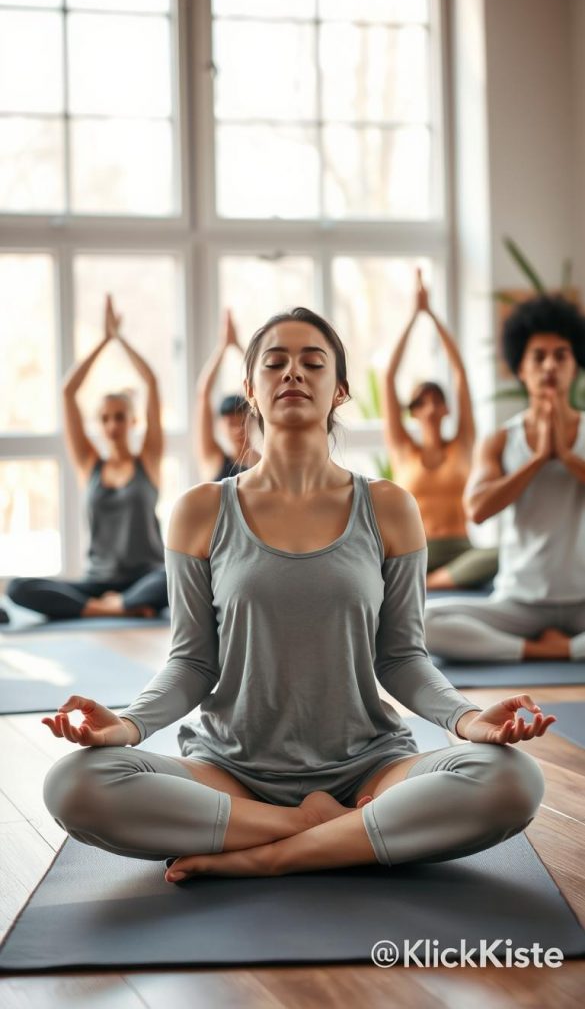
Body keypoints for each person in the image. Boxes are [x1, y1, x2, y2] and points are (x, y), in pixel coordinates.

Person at [42, 306, 550, 884]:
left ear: (339, 391)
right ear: (251, 391)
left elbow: (403, 658)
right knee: (73, 784)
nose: (292, 373)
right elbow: (190, 662)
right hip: (230, 770)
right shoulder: (200, 511)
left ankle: (268, 853)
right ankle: (327, 831)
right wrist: (129, 726)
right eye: (274, 362)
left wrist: (467, 720)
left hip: (368, 767)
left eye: (312, 362)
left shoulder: (389, 508)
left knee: (514, 780)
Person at [425, 294, 585, 662]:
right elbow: (476, 509)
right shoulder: (500, 439)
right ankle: (537, 650)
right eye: (538, 356)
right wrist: (539, 460)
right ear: (521, 369)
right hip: (518, 601)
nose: (550, 366)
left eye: (561, 355)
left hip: (582, 601)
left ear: (574, 366)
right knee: (422, 619)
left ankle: (567, 648)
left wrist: (566, 456)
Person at [7, 295, 168, 620]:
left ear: (133, 420)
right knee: (16, 588)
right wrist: (103, 340)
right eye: (105, 418)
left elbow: (151, 381)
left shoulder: (147, 460)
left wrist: (120, 340)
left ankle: (112, 606)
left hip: (147, 577)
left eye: (120, 416)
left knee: (177, 576)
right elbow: (68, 391)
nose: (112, 425)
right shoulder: (89, 464)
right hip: (96, 582)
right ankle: (114, 610)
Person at [384, 270, 498, 590]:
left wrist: (432, 315)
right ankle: (428, 580)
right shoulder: (403, 449)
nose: (431, 407)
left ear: (447, 408)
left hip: (462, 549)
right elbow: (389, 378)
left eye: (437, 400)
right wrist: (413, 316)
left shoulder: (462, 444)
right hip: (416, 549)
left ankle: (430, 584)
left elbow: (460, 373)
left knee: (501, 554)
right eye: (422, 402)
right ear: (414, 412)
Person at [195, 308, 260, 481]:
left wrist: (239, 345)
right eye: (231, 423)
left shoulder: (264, 462)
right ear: (220, 426)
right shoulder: (213, 457)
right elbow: (204, 392)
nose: (237, 430)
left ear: (253, 421)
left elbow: (264, 382)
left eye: (242, 422)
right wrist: (224, 347)